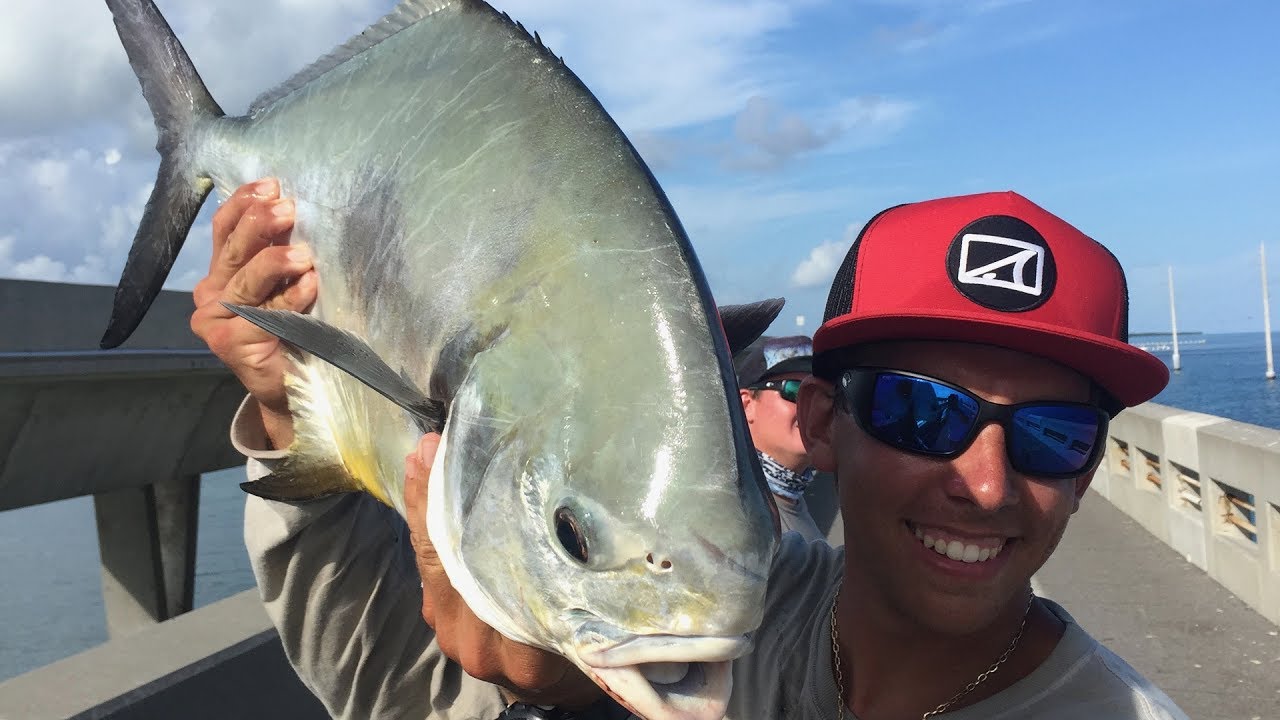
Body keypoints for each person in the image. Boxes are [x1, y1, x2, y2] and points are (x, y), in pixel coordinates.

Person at [197, 180, 1189, 719]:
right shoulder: (706, 604)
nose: (982, 481)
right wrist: (290, 410)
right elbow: (391, 690)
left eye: (1050, 437)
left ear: (1089, 472)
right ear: (817, 422)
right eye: (918, 411)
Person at [734, 335, 826, 542]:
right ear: (747, 405)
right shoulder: (733, 509)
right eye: (794, 391)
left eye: (821, 396)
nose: (812, 408)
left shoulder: (792, 502)